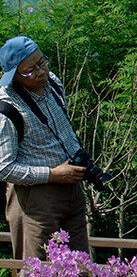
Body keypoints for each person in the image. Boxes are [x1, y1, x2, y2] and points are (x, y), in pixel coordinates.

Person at [0, 36, 89, 260]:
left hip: (72, 188)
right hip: (37, 198)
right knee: (39, 274)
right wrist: (52, 175)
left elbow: (63, 129)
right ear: (15, 76)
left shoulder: (53, 83)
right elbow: (4, 169)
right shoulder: (7, 109)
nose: (41, 72)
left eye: (42, 62)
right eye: (30, 70)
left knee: (80, 269)